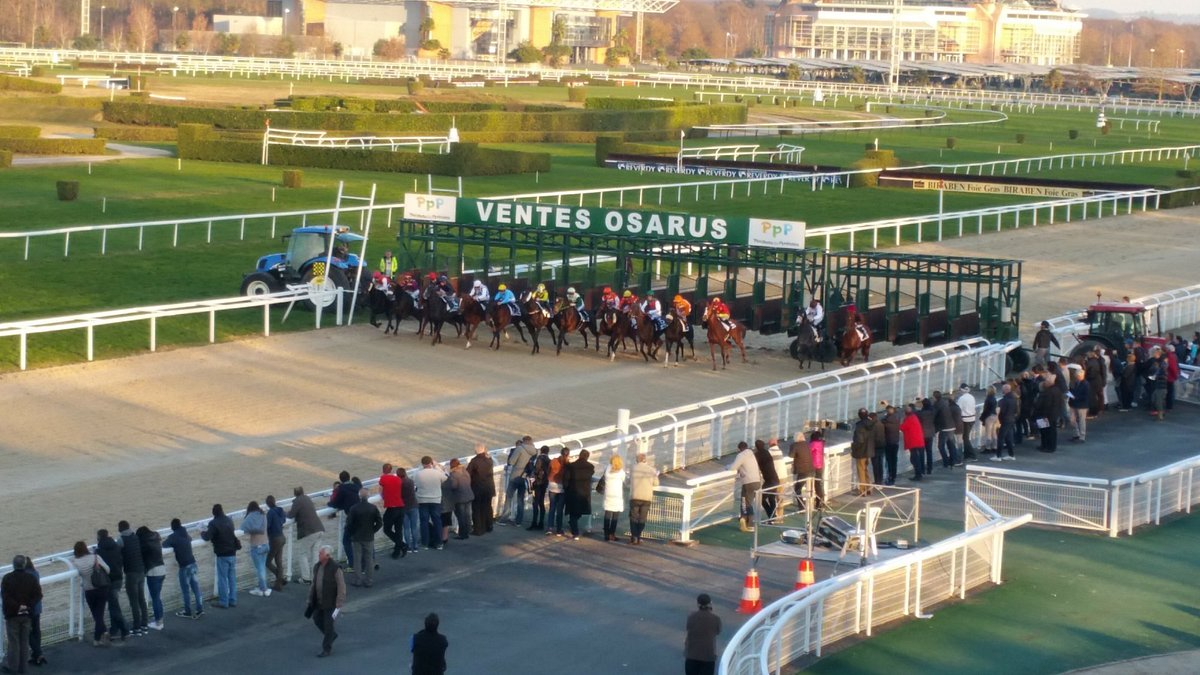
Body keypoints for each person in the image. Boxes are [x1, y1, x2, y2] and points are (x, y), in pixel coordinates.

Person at [2, 554, 42, 673]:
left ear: (13, 565)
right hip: (27, 614)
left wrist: (18, 606)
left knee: (14, 642)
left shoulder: (7, 578)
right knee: (24, 642)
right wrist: (27, 606)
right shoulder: (31, 578)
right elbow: (38, 595)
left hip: (12, 615)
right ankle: (23, 668)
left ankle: (13, 668)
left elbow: (6, 597)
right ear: (24, 565)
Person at [306, 545, 345, 658]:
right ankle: (331, 635)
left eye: (321, 553)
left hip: (331, 602)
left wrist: (339, 601)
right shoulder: (317, 566)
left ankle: (326, 648)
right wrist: (310, 598)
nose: (319, 555)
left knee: (328, 625)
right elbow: (314, 584)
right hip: (319, 600)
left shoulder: (335, 568)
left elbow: (341, 586)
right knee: (317, 619)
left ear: (327, 556)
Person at [70, 542, 110, 647]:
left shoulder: (76, 562)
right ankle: (100, 635)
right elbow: (108, 570)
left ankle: (100, 635)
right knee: (99, 614)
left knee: (96, 615)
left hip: (89, 591)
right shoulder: (95, 557)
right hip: (101, 588)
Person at [201, 504, 240, 608]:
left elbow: (207, 537)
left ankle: (224, 601)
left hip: (222, 554)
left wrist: (202, 532)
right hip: (232, 552)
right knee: (232, 578)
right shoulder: (229, 520)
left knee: (222, 579)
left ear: (214, 513)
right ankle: (233, 599)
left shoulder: (213, 523)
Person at [164, 518, 203, 619]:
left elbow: (164, 545)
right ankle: (199, 609)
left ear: (172, 527)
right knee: (196, 588)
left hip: (184, 566)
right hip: (193, 563)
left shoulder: (173, 537)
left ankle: (187, 611)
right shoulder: (185, 534)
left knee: (186, 590)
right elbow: (189, 539)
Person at [95, 529, 129, 641]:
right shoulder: (116, 547)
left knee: (114, 608)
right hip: (118, 578)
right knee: (113, 605)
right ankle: (113, 631)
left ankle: (125, 629)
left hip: (108, 581)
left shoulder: (99, 551)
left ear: (99, 537)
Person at [288, 486, 326, 584]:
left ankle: (305, 578)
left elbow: (291, 515)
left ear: (295, 494)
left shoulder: (297, 501)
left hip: (309, 531)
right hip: (319, 528)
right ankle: (315, 577)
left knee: (302, 553)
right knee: (315, 554)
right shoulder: (308, 498)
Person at [117, 520, 148, 636]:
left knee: (134, 601)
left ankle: (137, 627)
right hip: (141, 570)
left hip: (131, 573)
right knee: (142, 599)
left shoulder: (121, 540)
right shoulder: (135, 537)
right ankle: (144, 625)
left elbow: (118, 555)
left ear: (120, 529)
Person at [346, 488, 383, 587]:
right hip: (368, 536)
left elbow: (349, 524)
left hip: (357, 537)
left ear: (359, 496)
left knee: (357, 559)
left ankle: (357, 580)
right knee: (369, 559)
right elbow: (380, 522)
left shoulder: (354, 508)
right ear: (368, 496)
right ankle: (369, 580)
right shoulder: (373, 508)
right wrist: (373, 531)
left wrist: (352, 533)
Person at [329, 471, 362, 568]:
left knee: (346, 541)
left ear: (340, 479)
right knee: (365, 539)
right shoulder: (356, 486)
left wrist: (329, 504)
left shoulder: (342, 489)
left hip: (352, 518)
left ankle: (352, 565)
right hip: (361, 514)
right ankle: (370, 561)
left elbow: (335, 503)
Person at [500, 436, 536, 526]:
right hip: (525, 476)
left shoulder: (520, 448)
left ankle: (504, 519)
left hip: (515, 475)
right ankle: (518, 521)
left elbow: (511, 461)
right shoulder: (535, 451)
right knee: (521, 499)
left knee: (509, 497)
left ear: (524, 441)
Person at [137, 526, 166, 631]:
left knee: (155, 598)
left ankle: (159, 623)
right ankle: (159, 620)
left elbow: (140, 554)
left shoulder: (144, 543)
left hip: (153, 572)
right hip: (162, 569)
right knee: (157, 597)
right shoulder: (156, 537)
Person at [728, 441, 762, 532]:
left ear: (739, 449)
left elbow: (733, 467)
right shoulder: (752, 454)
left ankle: (750, 524)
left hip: (748, 482)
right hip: (757, 481)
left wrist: (727, 467)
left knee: (747, 502)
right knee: (745, 500)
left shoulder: (741, 455)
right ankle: (743, 518)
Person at [414, 456, 447, 550]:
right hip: (435, 500)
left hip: (422, 500)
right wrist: (436, 466)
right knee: (437, 521)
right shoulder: (437, 473)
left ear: (422, 464)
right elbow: (445, 477)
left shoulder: (418, 474)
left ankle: (425, 543)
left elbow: (415, 482)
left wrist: (420, 468)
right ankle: (439, 543)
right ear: (431, 463)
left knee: (424, 522)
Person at [684, 593, 721, 675]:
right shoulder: (716, 619)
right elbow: (718, 631)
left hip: (692, 655)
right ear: (710, 603)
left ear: (698, 604)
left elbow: (688, 628)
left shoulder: (691, 617)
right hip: (708, 656)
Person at [563, 449, 596, 540]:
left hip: (573, 492)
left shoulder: (571, 466)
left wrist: (566, 489)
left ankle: (575, 533)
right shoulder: (590, 467)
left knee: (573, 513)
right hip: (584, 494)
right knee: (580, 512)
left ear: (579, 455)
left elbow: (566, 479)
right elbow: (590, 475)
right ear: (587, 457)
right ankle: (573, 527)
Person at [18, 557, 45, 666]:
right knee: (36, 630)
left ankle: (38, 653)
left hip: (29, 607)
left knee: (27, 631)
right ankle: (36, 655)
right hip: (37, 606)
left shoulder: (24, 576)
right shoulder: (36, 573)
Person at [242, 501, 271, 598]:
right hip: (266, 544)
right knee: (262, 567)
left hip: (257, 546)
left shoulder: (251, 517)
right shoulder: (263, 515)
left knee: (260, 569)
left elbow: (244, 528)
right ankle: (263, 587)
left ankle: (263, 589)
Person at [629, 452, 659, 545]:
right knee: (642, 518)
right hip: (646, 498)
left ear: (636, 460)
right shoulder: (651, 470)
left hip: (635, 497)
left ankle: (634, 537)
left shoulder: (633, 468)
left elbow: (628, 481)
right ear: (645, 460)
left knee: (633, 517)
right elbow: (656, 483)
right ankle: (638, 536)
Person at [466, 443, 496, 536]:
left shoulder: (474, 461)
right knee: (487, 507)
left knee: (477, 509)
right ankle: (489, 525)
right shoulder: (489, 460)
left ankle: (478, 529)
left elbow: (468, 474)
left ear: (476, 451)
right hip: (489, 488)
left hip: (478, 488)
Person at [379, 464, 406, 560]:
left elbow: (380, 492)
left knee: (387, 529)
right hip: (401, 507)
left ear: (383, 470)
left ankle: (401, 545)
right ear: (391, 470)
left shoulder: (383, 478)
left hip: (392, 508)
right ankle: (398, 550)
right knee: (399, 530)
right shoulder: (397, 479)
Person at [600, 454, 628, 542]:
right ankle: (612, 534)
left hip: (608, 494)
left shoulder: (607, 469)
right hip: (617, 495)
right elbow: (625, 481)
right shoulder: (621, 472)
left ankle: (606, 534)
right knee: (615, 516)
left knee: (607, 514)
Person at [445, 458, 474, 540]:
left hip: (459, 498)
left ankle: (462, 534)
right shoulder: (465, 471)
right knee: (468, 515)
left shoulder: (454, 474)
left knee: (460, 516)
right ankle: (468, 529)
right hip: (468, 495)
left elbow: (454, 486)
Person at [1033, 374, 1064, 452]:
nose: (1045, 383)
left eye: (1046, 381)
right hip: (1052, 415)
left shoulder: (1048, 392)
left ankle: (1047, 446)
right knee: (1050, 431)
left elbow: (1045, 404)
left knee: (1046, 432)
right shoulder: (1057, 390)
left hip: (1045, 415)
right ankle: (1048, 446)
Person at [752, 440, 781, 520]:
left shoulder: (757, 455)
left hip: (769, 481)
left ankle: (771, 515)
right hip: (775, 479)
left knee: (760, 498)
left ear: (756, 447)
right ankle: (772, 517)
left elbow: (754, 464)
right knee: (772, 498)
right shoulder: (767, 452)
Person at [264, 495, 288, 591]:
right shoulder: (280, 510)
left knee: (267, 562)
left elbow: (267, 526)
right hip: (282, 537)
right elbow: (283, 520)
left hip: (275, 539)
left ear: (267, 504)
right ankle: (279, 582)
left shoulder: (270, 513)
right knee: (279, 561)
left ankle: (280, 579)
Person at [851, 409, 877, 496]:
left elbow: (859, 440)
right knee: (865, 469)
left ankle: (862, 490)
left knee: (861, 470)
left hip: (861, 451)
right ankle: (868, 488)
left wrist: (854, 448)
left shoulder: (859, 426)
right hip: (869, 451)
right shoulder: (871, 424)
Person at [546, 447, 571, 537]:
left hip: (552, 485)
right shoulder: (567, 464)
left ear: (560, 452)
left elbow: (548, 471)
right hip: (562, 488)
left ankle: (549, 528)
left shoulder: (553, 461)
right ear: (568, 454)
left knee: (552, 508)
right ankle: (559, 530)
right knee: (560, 510)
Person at [528, 446, 552, 532]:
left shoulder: (539, 458)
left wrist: (531, 465)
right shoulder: (549, 460)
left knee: (535, 503)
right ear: (548, 452)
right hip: (544, 483)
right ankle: (541, 523)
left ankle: (534, 522)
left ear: (541, 451)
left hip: (537, 483)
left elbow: (536, 470)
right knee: (541, 502)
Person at [899, 404, 925, 481]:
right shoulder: (914, 417)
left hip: (913, 442)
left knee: (914, 459)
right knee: (917, 458)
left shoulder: (909, 419)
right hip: (918, 441)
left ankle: (918, 474)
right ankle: (920, 472)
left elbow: (902, 427)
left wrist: (901, 421)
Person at [789, 431, 814, 509]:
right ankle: (811, 504)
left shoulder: (795, 445)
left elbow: (791, 455)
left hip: (802, 471)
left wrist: (792, 447)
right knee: (810, 488)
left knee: (797, 489)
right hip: (811, 469)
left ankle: (802, 506)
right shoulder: (807, 444)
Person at [398, 468, 420, 556]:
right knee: (414, 527)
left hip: (403, 507)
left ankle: (408, 546)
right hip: (413, 506)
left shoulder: (399, 483)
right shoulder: (410, 481)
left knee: (406, 528)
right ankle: (415, 546)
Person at [879, 405, 902, 485]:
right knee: (894, 460)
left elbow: (881, 421)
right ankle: (893, 476)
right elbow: (897, 413)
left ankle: (890, 477)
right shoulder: (897, 419)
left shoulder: (885, 422)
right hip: (895, 442)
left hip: (888, 443)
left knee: (889, 461)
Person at [955, 384, 978, 461]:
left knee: (965, 438)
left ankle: (972, 455)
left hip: (965, 419)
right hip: (972, 418)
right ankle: (967, 454)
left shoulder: (962, 399)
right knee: (966, 437)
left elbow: (958, 409)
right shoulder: (971, 397)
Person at [1068, 369, 1090, 442]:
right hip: (1074, 403)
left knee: (1081, 420)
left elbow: (1086, 396)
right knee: (1072, 420)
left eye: (1076, 376)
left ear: (1079, 376)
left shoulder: (1086, 384)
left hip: (1081, 405)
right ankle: (1076, 434)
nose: (1075, 377)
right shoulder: (1075, 383)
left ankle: (1082, 436)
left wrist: (1075, 397)